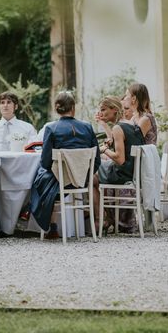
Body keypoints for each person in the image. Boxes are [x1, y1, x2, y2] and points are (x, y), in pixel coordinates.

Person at [29, 91, 100, 238]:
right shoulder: (87, 127)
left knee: (37, 180)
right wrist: (81, 174)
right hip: (82, 180)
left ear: (56, 109)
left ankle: (48, 224)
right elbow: (97, 159)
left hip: (60, 181)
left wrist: (62, 173)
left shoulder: (51, 128)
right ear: (73, 108)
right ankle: (54, 225)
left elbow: (45, 162)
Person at [93, 96, 145, 234]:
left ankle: (103, 219)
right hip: (134, 171)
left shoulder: (117, 128)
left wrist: (104, 150)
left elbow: (120, 159)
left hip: (122, 173)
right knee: (100, 168)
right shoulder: (132, 124)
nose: (101, 113)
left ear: (114, 109)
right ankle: (110, 218)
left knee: (91, 176)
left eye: (103, 109)